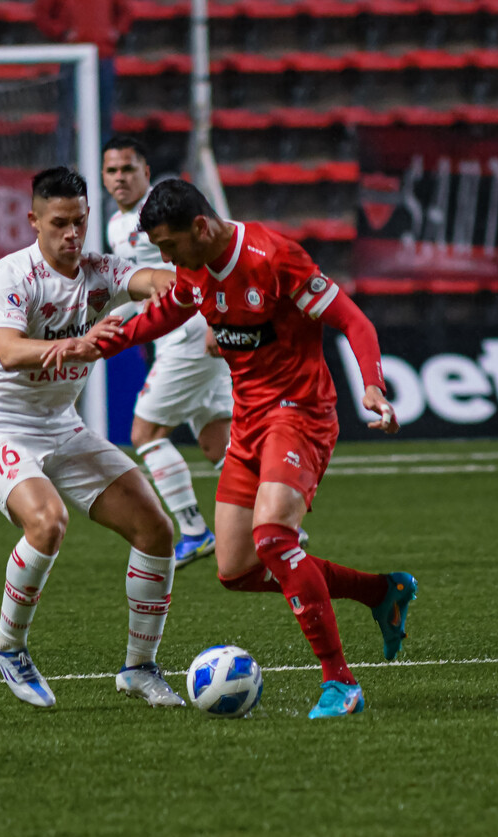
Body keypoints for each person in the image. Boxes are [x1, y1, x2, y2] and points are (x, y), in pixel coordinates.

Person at [52, 178, 418, 719]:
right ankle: (381, 592)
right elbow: (158, 317)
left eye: (171, 247)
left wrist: (372, 385)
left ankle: (341, 682)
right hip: (249, 423)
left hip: (300, 414)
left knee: (273, 537)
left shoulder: (275, 258)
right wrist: (92, 343)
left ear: (200, 227)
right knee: (236, 569)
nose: (167, 259)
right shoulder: (195, 270)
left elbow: (352, 320)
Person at [0, 166, 185, 709]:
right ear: (33, 220)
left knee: (157, 531)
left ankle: (140, 668)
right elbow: (11, 352)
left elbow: (153, 282)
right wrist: (82, 344)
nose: (72, 235)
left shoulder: (98, 271)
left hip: (63, 428)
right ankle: (8, 647)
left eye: (80, 222)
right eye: (59, 223)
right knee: (48, 521)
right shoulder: (11, 276)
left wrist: (200, 275)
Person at [101, 136, 234, 568]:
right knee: (219, 445)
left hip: (193, 330)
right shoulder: (114, 225)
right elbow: (138, 285)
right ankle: (274, 521)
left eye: (127, 169)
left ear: (145, 171)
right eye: (111, 171)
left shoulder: (170, 206)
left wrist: (219, 319)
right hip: (172, 334)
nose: (119, 178)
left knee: (145, 434)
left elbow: (208, 257)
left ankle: (194, 530)